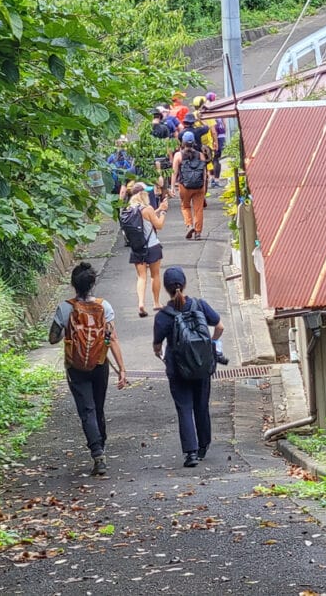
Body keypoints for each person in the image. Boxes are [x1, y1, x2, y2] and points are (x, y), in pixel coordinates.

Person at [49, 262, 128, 476]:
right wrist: (122, 369)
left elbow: (52, 339)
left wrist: (69, 331)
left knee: (87, 410)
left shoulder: (65, 308)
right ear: (92, 283)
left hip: (75, 367)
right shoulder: (104, 306)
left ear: (73, 284)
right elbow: (113, 339)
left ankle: (97, 453)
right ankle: (101, 444)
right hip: (100, 363)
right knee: (98, 406)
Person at [152, 267, 224, 467]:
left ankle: (190, 454)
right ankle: (203, 446)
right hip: (201, 365)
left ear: (166, 289)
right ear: (184, 284)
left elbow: (157, 346)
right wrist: (210, 345)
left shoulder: (163, 316)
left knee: (184, 408)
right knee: (201, 405)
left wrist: (161, 353)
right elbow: (220, 326)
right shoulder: (199, 305)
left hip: (178, 368)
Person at [125, 182, 170, 317]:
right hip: (152, 246)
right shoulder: (148, 208)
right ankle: (156, 303)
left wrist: (157, 210)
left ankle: (141, 303)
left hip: (137, 247)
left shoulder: (129, 209)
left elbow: (143, 220)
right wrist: (163, 212)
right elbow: (159, 225)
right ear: (142, 194)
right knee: (155, 275)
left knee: (141, 277)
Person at [172, 131, 208, 240]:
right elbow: (204, 173)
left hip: (185, 186)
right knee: (198, 209)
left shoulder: (178, 155)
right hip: (199, 186)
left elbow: (174, 172)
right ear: (194, 142)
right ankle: (198, 233)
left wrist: (172, 187)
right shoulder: (200, 155)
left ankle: (189, 225)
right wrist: (204, 186)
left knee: (185, 206)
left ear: (182, 142)